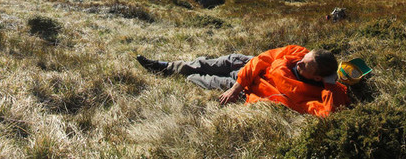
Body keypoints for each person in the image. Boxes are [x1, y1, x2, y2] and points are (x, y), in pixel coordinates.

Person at [137, 45, 349, 118]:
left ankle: (169, 73)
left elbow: (330, 112)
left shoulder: (314, 93)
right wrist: (239, 84)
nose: (299, 62)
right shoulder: (298, 53)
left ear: (318, 77)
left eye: (305, 65)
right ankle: (164, 65)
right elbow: (264, 58)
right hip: (248, 70)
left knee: (199, 78)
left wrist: (330, 83)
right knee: (213, 62)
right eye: (303, 59)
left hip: (250, 89)